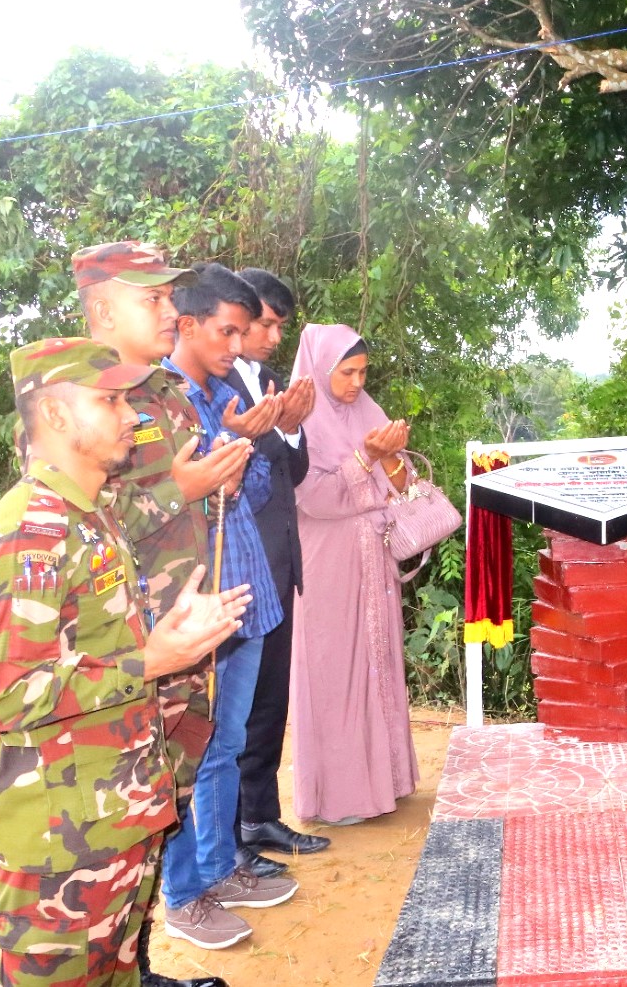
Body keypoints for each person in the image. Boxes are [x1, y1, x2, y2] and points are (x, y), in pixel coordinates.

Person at [0, 337, 248, 987]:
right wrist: (148, 660)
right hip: (62, 846)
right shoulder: (28, 530)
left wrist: (167, 638)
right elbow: (2, 694)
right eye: (112, 400)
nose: (132, 415)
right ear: (56, 415)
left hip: (119, 815)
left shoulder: (93, 514)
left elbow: (98, 645)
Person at [71, 240, 250, 987]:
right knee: (118, 819)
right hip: (128, 647)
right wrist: (183, 487)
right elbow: (83, 521)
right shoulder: (75, 395)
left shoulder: (166, 393)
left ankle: (138, 965)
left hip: (182, 631)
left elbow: (179, 491)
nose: (171, 310)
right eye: (153, 299)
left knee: (163, 804)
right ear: (104, 307)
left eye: (170, 296)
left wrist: (217, 483)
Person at [160, 264, 296, 950]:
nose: (238, 344)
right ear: (185, 324)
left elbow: (253, 485)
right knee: (198, 747)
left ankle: (221, 866)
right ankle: (186, 890)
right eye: (228, 331)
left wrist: (248, 442)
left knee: (228, 741)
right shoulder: (166, 400)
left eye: (245, 332)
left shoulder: (214, 393)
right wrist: (220, 458)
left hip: (244, 587)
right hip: (201, 600)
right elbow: (167, 504)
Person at [289, 324, 420, 822]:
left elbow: (402, 484)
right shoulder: (300, 417)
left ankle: (387, 782)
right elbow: (313, 498)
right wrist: (367, 456)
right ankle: (338, 798)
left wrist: (388, 454)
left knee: (378, 661)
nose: (357, 383)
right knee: (334, 670)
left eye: (363, 372)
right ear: (322, 370)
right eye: (347, 372)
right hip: (326, 564)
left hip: (373, 558)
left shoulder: (369, 412)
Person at [229, 268, 330, 874]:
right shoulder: (207, 387)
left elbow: (292, 476)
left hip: (279, 565)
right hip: (239, 569)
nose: (271, 336)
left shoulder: (269, 382)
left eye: (278, 326)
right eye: (264, 322)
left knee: (269, 701)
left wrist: (290, 426)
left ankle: (259, 814)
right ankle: (231, 836)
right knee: (233, 709)